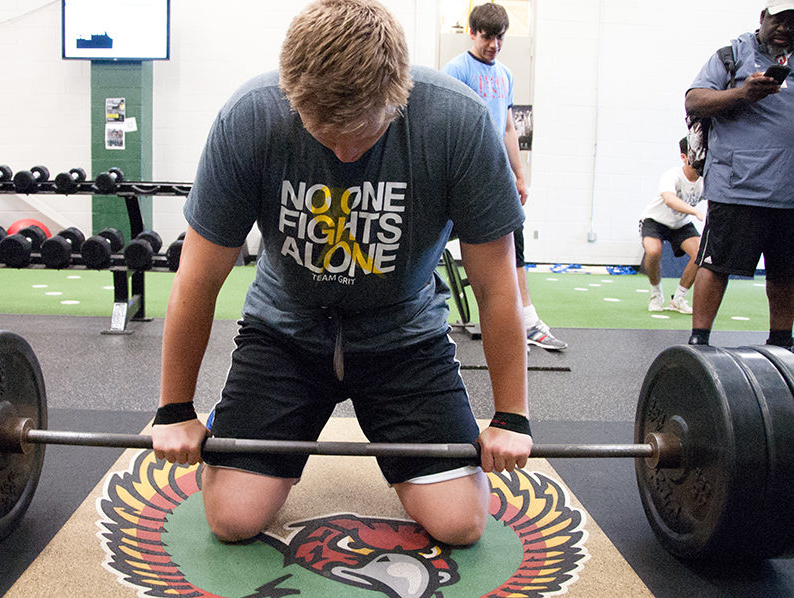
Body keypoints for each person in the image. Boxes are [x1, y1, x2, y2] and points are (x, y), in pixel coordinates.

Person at [152, 0, 533, 547]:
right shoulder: (251, 117)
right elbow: (198, 277)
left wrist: (511, 416)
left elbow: (497, 286)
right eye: (326, 135)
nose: (345, 152)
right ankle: (241, 420)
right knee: (232, 519)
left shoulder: (458, 122)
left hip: (403, 334)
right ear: (292, 95)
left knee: (460, 523)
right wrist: (175, 409)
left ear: (397, 95)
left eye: (363, 133)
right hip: (285, 329)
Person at [442, 2, 567, 352]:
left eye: (499, 37)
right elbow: (450, 125)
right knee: (442, 238)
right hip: (463, 172)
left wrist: (519, 174)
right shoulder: (456, 71)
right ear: (472, 32)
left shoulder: (506, 75)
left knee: (514, 236)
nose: (493, 45)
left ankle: (524, 320)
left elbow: (508, 127)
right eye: (487, 37)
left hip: (496, 174)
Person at [684, 0, 794, 349]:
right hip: (737, 188)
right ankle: (699, 342)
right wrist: (743, 93)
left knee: (786, 273)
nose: (785, 28)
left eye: (793, 22)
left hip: (789, 191)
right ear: (763, 18)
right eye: (779, 20)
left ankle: (781, 343)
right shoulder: (731, 55)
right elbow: (694, 100)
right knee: (716, 266)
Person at [639, 137, 705, 314]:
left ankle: (678, 298)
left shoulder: (705, 180)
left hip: (681, 224)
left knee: (700, 254)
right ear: (684, 157)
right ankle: (656, 294)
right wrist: (695, 212)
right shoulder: (672, 175)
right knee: (653, 251)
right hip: (656, 220)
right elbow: (669, 199)